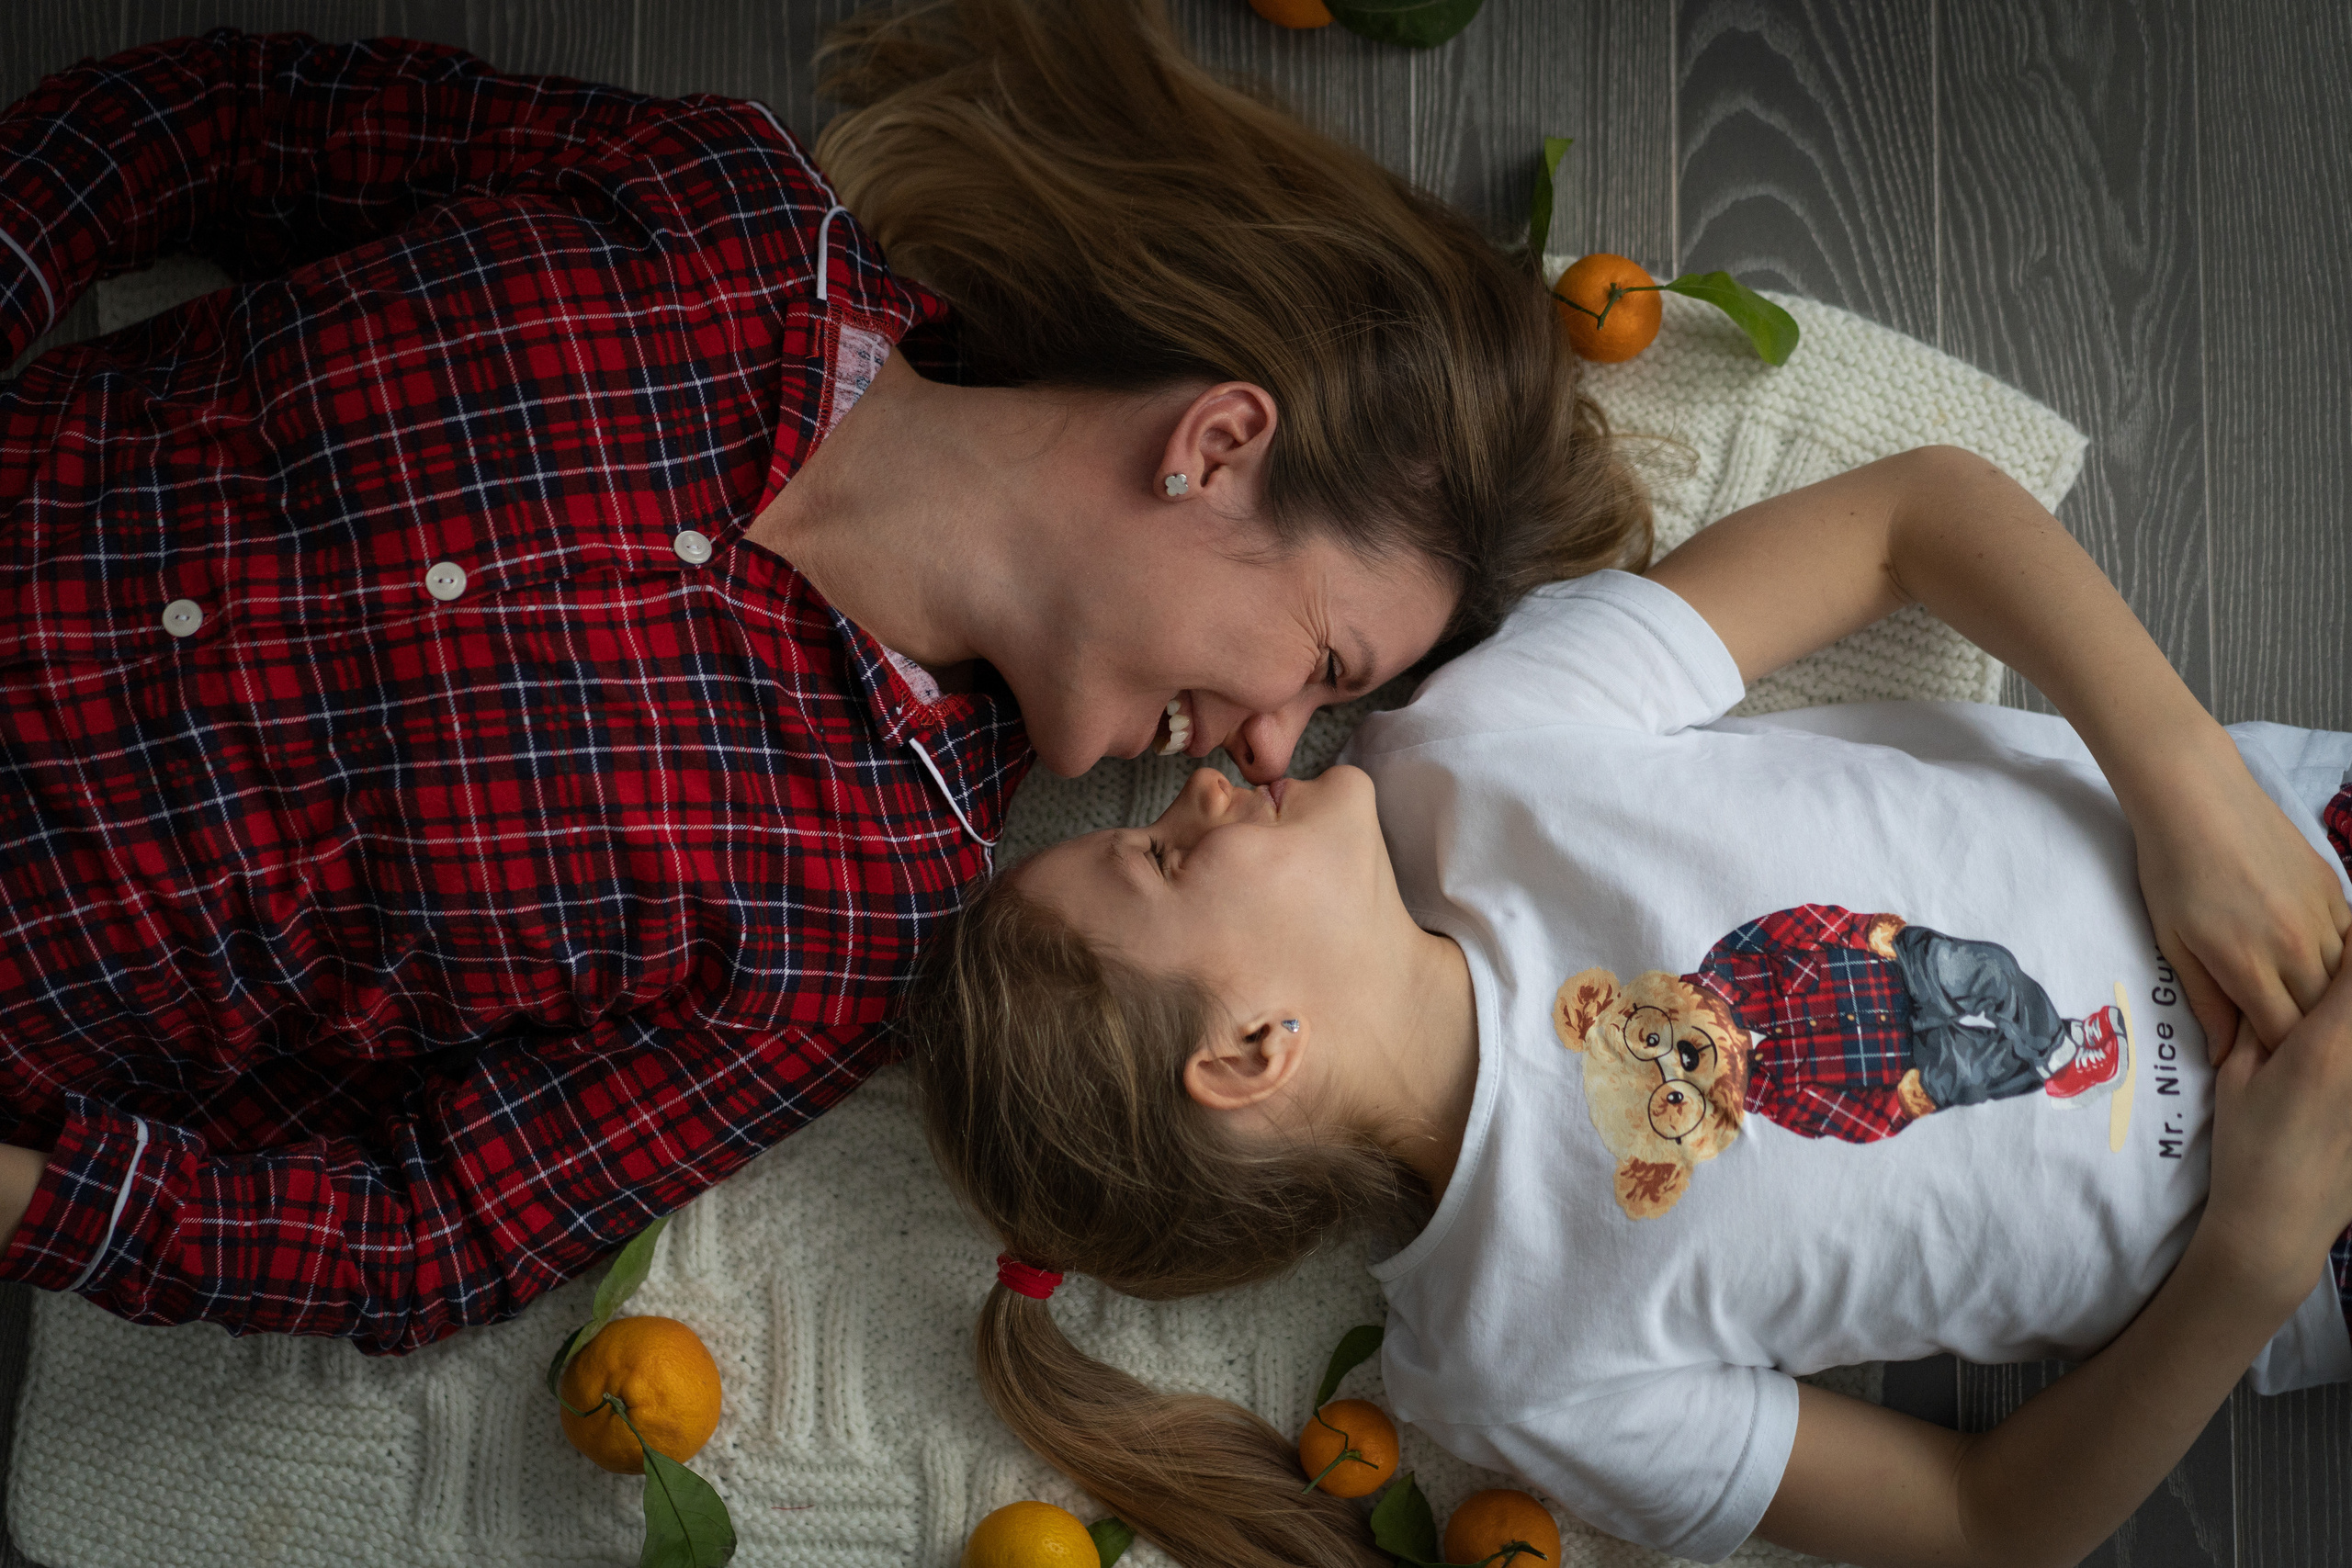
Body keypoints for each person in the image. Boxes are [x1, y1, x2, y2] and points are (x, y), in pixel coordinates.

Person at [0, 0, 1648, 1353]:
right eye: (1323, 660)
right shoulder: (717, 212)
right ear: (1218, 448)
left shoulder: (850, 926)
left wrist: (33, 1198)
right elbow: (229, 121)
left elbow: (420, 1234)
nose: (1280, 746)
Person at [903, 443, 2352, 1568]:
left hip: (2303, 843)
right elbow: (1992, 1525)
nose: (1207, 787)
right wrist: (2257, 1254)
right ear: (1253, 1052)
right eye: (1162, 856)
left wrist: (2194, 796)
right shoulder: (1513, 1375)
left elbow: (1924, 513)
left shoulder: (1480, 750)